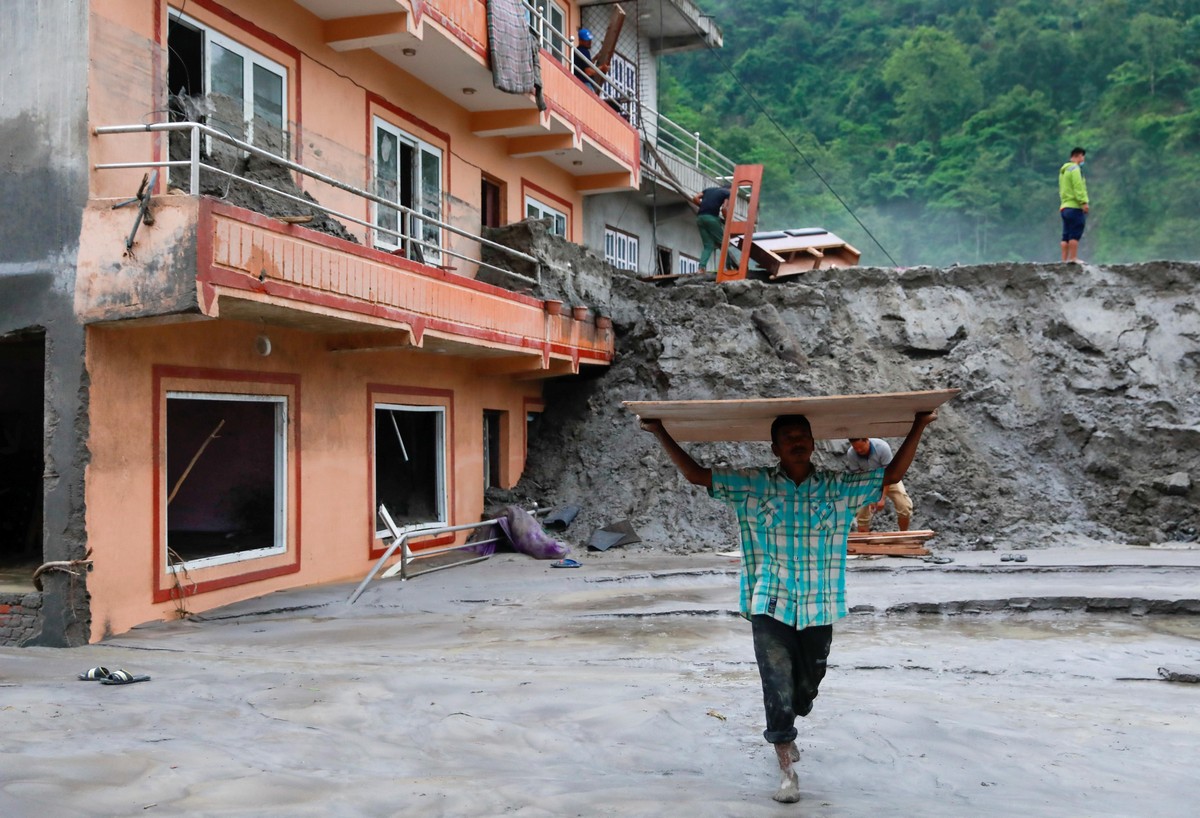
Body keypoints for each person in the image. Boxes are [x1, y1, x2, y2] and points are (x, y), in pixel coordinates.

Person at [641, 410, 937, 803]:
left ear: (813, 444)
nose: (797, 441)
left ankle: (794, 716)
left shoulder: (838, 488)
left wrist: (917, 425)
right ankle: (786, 767)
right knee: (776, 684)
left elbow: (889, 474)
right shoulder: (753, 485)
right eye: (789, 437)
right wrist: (660, 432)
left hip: (820, 604)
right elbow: (698, 475)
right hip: (770, 602)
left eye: (803, 436)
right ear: (775, 447)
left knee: (807, 686)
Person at [843, 437, 914, 532]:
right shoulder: (851, 454)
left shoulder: (882, 447)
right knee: (861, 515)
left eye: (861, 448)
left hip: (890, 478)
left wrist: (882, 497)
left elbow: (888, 474)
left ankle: (903, 534)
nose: (859, 450)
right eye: (856, 449)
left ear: (867, 440)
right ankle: (864, 543)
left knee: (904, 506)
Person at [692, 185, 740, 272]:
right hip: (712, 219)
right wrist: (728, 222)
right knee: (723, 244)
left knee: (708, 245)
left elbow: (695, 198)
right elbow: (724, 209)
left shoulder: (709, 189)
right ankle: (729, 268)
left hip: (700, 218)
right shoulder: (728, 193)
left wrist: (702, 206)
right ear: (731, 189)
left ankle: (701, 268)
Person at [1059, 147, 1089, 263]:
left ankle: (1064, 260)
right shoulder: (1075, 169)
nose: (1083, 159)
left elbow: (1062, 189)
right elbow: (1078, 187)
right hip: (1074, 206)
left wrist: (1063, 203)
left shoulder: (1064, 170)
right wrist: (1083, 202)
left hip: (1064, 206)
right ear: (1078, 156)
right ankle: (1073, 258)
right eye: (1083, 157)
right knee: (1075, 232)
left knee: (1065, 234)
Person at [572, 29, 608, 94]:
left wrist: (595, 58)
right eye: (587, 40)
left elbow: (585, 65)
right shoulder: (584, 51)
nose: (589, 42)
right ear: (580, 40)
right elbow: (589, 72)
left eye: (590, 40)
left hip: (579, 82)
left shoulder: (578, 50)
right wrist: (602, 68)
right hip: (585, 84)